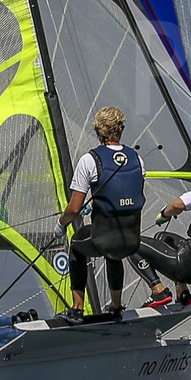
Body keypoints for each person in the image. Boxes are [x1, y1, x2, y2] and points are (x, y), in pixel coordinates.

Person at [58, 106, 145, 322]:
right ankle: (116, 307)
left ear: (98, 131)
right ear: (120, 130)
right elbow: (124, 194)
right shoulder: (136, 158)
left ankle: (77, 309)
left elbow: (74, 209)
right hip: (131, 238)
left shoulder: (89, 160)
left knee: (77, 244)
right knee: (113, 253)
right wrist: (97, 200)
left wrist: (61, 224)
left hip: (103, 237)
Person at [131, 179, 191, 309]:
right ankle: (182, 293)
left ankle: (158, 290)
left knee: (129, 244)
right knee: (162, 237)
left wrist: (164, 214)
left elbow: (177, 205)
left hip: (188, 262)